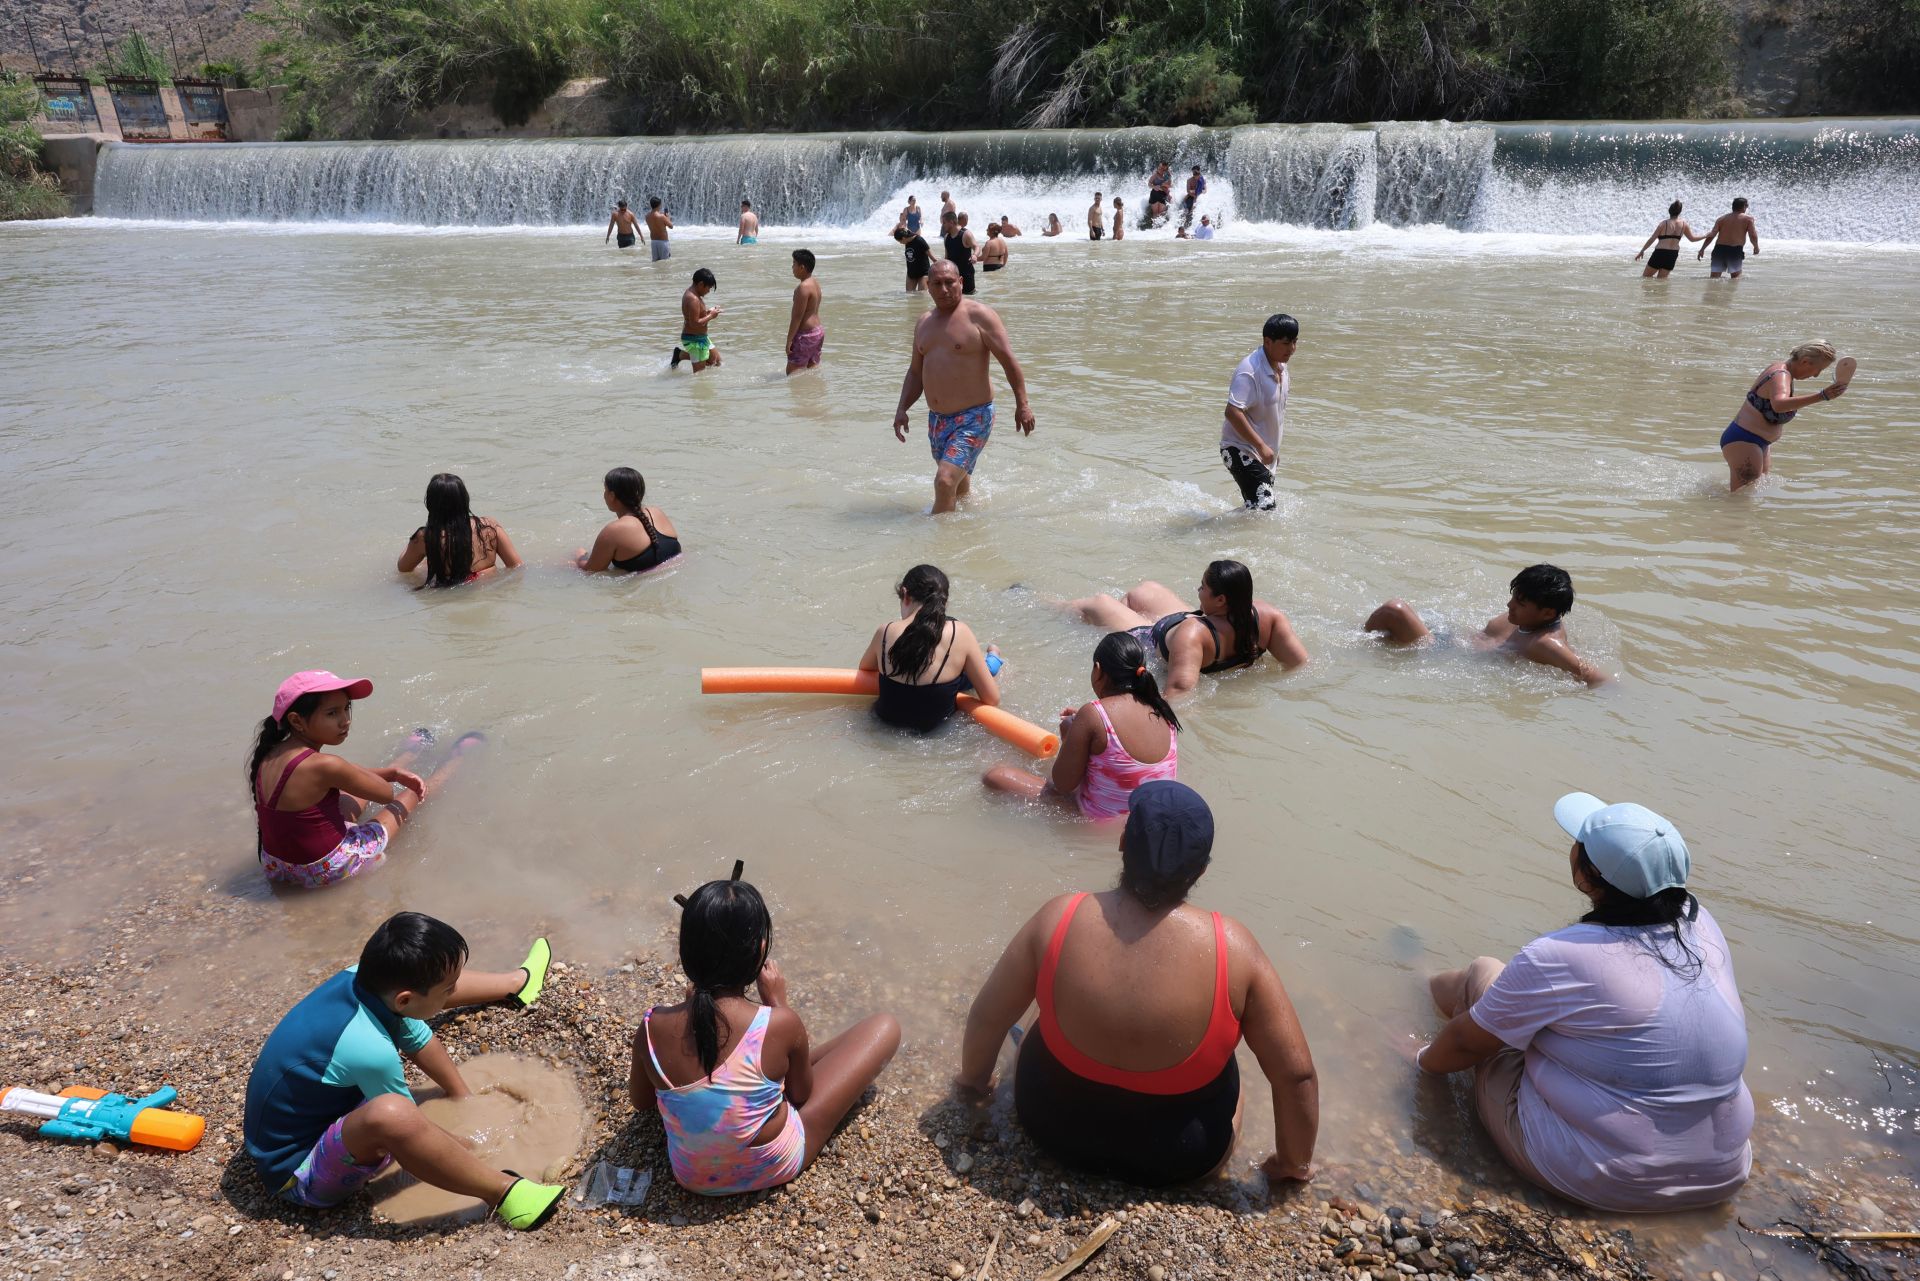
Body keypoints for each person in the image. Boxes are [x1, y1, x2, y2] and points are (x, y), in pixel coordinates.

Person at [955, 782, 1319, 1188]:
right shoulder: (1234, 948)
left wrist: (973, 1085)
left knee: (1043, 1013)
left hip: (1053, 1130)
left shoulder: (1060, 917)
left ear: (1124, 842)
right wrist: (1292, 1164)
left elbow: (989, 1015)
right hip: (1180, 1156)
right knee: (1233, 1058)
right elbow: (1296, 1076)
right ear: (1201, 870)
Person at [1416, 793, 1753, 1212]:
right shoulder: (1700, 923)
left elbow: (1465, 1046)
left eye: (1579, 845)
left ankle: (1414, 975)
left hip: (1606, 1182)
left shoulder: (1560, 954)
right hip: (1722, 1176)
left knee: (1482, 974)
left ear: (1586, 875)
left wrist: (1420, 1063)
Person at [245, 913, 561, 1228]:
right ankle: (503, 1193)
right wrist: (467, 1144)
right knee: (392, 1114)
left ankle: (516, 983)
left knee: (431, 983)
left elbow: (417, 1035)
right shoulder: (369, 1050)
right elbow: (406, 1127)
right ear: (405, 999)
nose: (453, 994)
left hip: (311, 1113)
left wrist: (462, 1095)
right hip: (297, 1173)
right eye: (450, 991)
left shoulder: (361, 979)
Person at [632, 875, 901, 1196]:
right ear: (760, 951)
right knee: (885, 1027)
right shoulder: (778, 1024)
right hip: (772, 1164)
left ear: (685, 950)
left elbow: (643, 1102)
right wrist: (778, 1003)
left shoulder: (650, 1027)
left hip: (691, 1176)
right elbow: (801, 1094)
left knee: (760, 1067)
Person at [248, 672, 483, 888]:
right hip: (326, 869)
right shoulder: (326, 765)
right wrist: (392, 779)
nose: (345, 720)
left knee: (348, 794)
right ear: (297, 721)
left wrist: (391, 774)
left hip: (278, 866)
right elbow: (384, 794)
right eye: (332, 713)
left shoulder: (270, 752)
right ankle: (454, 760)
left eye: (346, 709)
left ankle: (406, 756)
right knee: (409, 793)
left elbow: (345, 774)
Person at [982, 631, 1178, 820]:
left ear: (1098, 669)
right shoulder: (1161, 708)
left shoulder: (1093, 714)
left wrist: (1069, 735)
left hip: (1100, 821)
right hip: (1151, 817)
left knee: (995, 775)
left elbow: (1063, 784)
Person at [890, 260, 1036, 514]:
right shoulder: (923, 323)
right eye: (937, 283)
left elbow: (1009, 362)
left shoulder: (980, 316)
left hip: (973, 417)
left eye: (950, 282)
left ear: (961, 282)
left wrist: (1022, 404)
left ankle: (942, 546)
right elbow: (915, 372)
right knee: (957, 485)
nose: (944, 289)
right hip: (938, 420)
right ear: (928, 286)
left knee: (944, 481)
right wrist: (902, 408)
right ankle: (968, 529)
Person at [1066, 560, 1310, 699]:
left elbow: (1177, 695)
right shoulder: (1269, 616)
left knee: (1096, 603)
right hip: (1189, 624)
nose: (1199, 590)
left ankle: (1038, 599)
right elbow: (1299, 665)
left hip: (1152, 638)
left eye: (1203, 587)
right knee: (1143, 590)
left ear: (1221, 599)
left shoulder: (1193, 634)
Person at [1363, 563, 1609, 687]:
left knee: (1394, 610)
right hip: (1449, 639)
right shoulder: (1531, 617)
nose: (1509, 605)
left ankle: (1355, 648)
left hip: (1443, 657)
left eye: (1519, 603)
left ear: (1547, 613)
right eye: (1513, 597)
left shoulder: (1547, 643)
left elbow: (1598, 680)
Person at [857, 564, 1003, 732]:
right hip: (937, 732)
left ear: (905, 595)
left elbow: (865, 668)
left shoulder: (885, 631)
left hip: (884, 726)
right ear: (945, 603)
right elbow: (992, 699)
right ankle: (994, 654)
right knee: (983, 670)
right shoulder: (960, 632)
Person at [1718, 341, 1855, 490]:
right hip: (1745, 440)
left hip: (1757, 442)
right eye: (1818, 370)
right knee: (1741, 499)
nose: (1816, 375)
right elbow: (1779, 404)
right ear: (1804, 361)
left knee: (1752, 492)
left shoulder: (1782, 370)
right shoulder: (1781, 375)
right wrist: (1822, 396)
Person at [1219, 313, 1297, 512]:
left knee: (1256, 510)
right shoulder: (1250, 370)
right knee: (1266, 509)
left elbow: (1275, 413)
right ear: (1268, 342)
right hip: (1239, 449)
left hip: (1262, 453)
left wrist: (1272, 449)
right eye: (1286, 343)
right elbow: (1232, 411)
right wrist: (1261, 446)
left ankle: (1213, 529)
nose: (1292, 349)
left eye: (1295, 342)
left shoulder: (1281, 367)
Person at [397, 473, 523, 587]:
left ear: (430, 504)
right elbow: (517, 566)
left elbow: (403, 568)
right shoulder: (489, 526)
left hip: (450, 597)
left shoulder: (426, 537)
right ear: (465, 500)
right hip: (488, 590)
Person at [575, 466, 683, 573]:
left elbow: (591, 571)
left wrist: (579, 556)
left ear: (612, 496)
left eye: (605, 490)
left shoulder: (613, 531)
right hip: (677, 568)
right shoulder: (656, 512)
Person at [671, 268, 721, 371]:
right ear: (701, 284)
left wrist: (707, 312)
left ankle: (679, 355)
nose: (708, 291)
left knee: (716, 362)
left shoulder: (693, 294)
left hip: (701, 337)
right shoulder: (693, 299)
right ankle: (679, 355)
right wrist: (711, 316)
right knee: (700, 375)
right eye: (708, 288)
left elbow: (694, 316)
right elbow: (694, 323)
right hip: (694, 340)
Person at [785, 248, 824, 374]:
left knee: (792, 373)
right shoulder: (815, 283)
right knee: (812, 369)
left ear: (802, 267)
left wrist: (789, 340)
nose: (792, 267)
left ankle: (799, 393)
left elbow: (797, 318)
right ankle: (811, 392)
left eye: (794, 264)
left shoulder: (803, 288)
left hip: (805, 335)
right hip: (818, 332)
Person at [1634, 200, 1697, 279]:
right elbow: (1692, 239)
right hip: (1672, 255)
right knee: (1662, 282)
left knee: (1646, 278)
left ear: (1669, 211)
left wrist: (1642, 251)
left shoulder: (1664, 224)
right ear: (1679, 212)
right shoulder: (1684, 225)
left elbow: (1652, 238)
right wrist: (1706, 235)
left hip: (1660, 253)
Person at [1698, 197, 1758, 278]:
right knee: (1736, 278)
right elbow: (1753, 235)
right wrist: (1756, 246)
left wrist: (1702, 249)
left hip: (1719, 250)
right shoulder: (1748, 219)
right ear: (1744, 206)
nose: (1747, 207)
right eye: (1747, 205)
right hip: (1734, 250)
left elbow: (1712, 235)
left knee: (1714, 278)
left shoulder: (1721, 219)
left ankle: (1713, 291)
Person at [938, 210, 977, 298]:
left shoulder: (965, 234)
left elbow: (976, 247)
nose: (942, 226)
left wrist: (974, 255)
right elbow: (947, 258)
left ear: (951, 222)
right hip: (953, 276)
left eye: (944, 223)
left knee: (968, 301)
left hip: (967, 275)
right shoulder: (946, 237)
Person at [894, 224, 932, 293]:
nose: (900, 243)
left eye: (899, 241)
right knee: (909, 296)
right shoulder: (907, 242)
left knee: (922, 296)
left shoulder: (920, 240)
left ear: (903, 238)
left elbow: (932, 257)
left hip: (923, 273)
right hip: (911, 273)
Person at [645, 197, 673, 262]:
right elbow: (671, 226)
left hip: (653, 241)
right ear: (659, 205)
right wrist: (668, 217)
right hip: (663, 242)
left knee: (655, 262)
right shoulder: (662, 217)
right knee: (665, 262)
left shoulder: (647, 216)